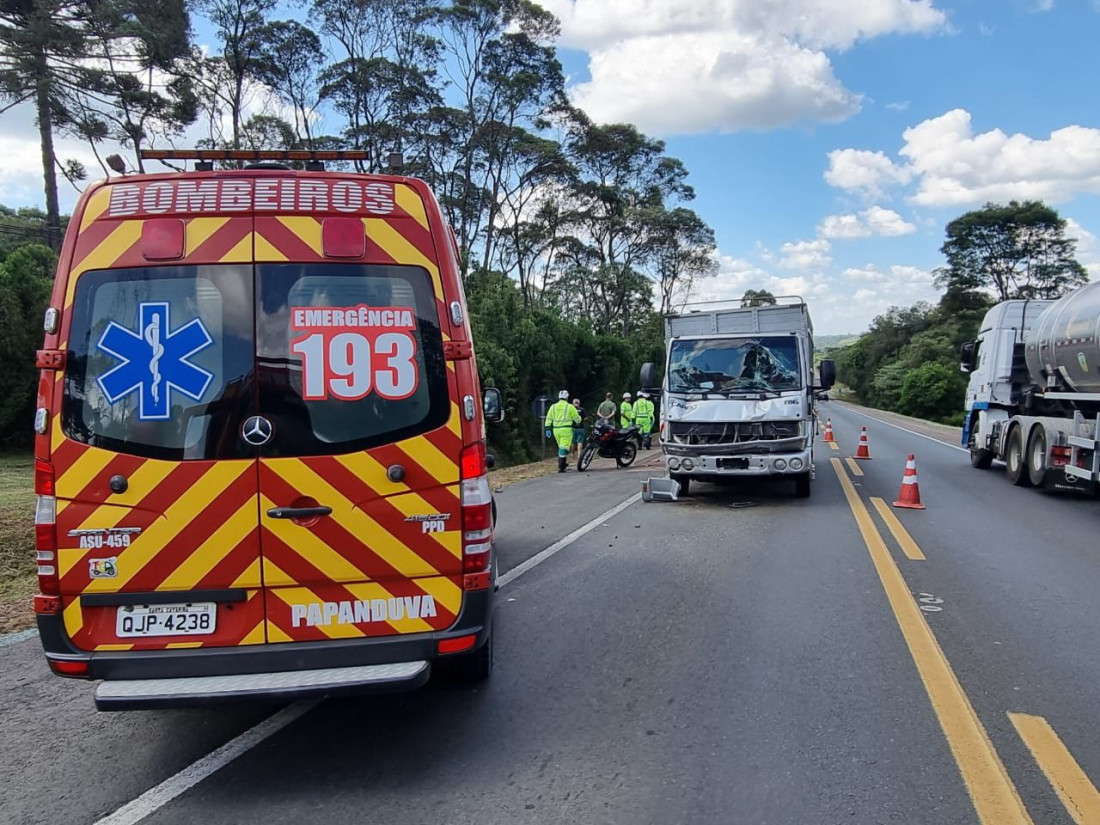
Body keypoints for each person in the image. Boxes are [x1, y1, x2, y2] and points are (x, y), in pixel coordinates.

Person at [545, 389, 582, 472]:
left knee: (561, 446)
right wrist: (579, 421)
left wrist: (547, 428)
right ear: (567, 398)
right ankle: (561, 466)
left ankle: (563, 463)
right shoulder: (570, 407)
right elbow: (577, 418)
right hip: (566, 429)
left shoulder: (553, 407)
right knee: (564, 448)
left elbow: (548, 418)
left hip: (556, 430)